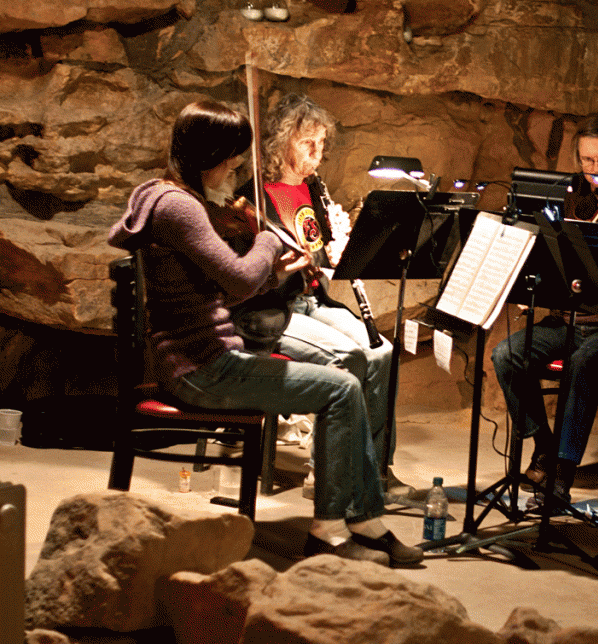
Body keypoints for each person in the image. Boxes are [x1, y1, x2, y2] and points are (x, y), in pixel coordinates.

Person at [107, 100, 423, 567]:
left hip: (206, 357)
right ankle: (331, 530)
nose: (237, 163)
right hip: (199, 368)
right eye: (232, 153)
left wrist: (274, 274)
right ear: (208, 152)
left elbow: (225, 290)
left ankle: (363, 520)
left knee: (350, 383)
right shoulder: (179, 208)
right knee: (341, 389)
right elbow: (237, 279)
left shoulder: (179, 201)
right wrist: (272, 239)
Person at [228, 93, 409, 500]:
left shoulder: (314, 190)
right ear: (281, 141)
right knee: (351, 357)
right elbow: (248, 275)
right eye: (307, 142)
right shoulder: (254, 197)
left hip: (313, 301)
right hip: (274, 309)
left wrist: (343, 245)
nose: (317, 153)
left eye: (322, 143)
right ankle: (325, 471)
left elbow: (325, 260)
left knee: (384, 353)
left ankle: (377, 469)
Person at [491, 112, 598, 506]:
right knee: (507, 355)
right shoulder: (567, 198)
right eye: (586, 161)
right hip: (568, 319)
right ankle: (544, 445)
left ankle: (561, 479)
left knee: (587, 359)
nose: (596, 171)